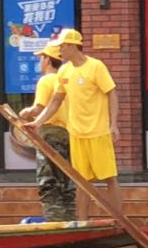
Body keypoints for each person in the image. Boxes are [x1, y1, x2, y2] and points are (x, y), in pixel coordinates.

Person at [28, 28, 121, 223]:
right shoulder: (64, 70)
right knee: (82, 181)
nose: (60, 50)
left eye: (62, 46)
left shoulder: (96, 67)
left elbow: (111, 93)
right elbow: (56, 101)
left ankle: (118, 219)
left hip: (98, 132)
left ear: (72, 46)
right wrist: (37, 122)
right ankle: (82, 221)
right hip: (76, 133)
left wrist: (113, 125)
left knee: (109, 178)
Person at [19, 43, 76, 221]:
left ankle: (55, 222)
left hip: (51, 133)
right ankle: (69, 221)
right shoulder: (67, 79)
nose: (39, 62)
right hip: (69, 134)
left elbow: (39, 108)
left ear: (47, 59)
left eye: (41, 58)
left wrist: (26, 112)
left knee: (49, 182)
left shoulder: (47, 80)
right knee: (67, 183)